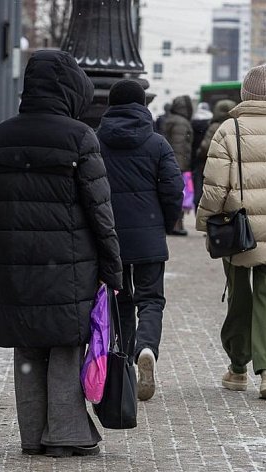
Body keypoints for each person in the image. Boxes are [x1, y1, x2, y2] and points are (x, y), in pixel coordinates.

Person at [0, 50, 123, 458]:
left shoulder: (3, 134)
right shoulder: (79, 136)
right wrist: (113, 268)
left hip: (13, 260)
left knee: (28, 344)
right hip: (68, 261)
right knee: (65, 343)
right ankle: (65, 433)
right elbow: (100, 210)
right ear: (71, 90)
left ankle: (32, 435)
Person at [196, 65, 266, 400]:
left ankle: (237, 367)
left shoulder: (227, 131)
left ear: (244, 95)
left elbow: (215, 187)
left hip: (238, 232)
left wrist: (206, 223)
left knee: (240, 299)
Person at [95, 79, 184, 402]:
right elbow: (174, 189)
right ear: (143, 105)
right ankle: (146, 348)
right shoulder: (157, 143)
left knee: (119, 300)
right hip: (148, 235)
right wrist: (165, 221)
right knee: (151, 299)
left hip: (110, 236)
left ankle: (126, 363)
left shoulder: (95, 141)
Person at [194, 99, 236, 210]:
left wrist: (199, 154)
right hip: (234, 167)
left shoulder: (214, 127)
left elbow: (205, 147)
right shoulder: (237, 126)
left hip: (215, 167)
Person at [162, 95, 194, 235]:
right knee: (180, 194)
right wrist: (182, 166)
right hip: (178, 165)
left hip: (170, 163)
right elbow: (179, 146)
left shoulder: (171, 119)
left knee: (173, 194)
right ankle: (177, 225)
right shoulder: (181, 122)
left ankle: (176, 224)